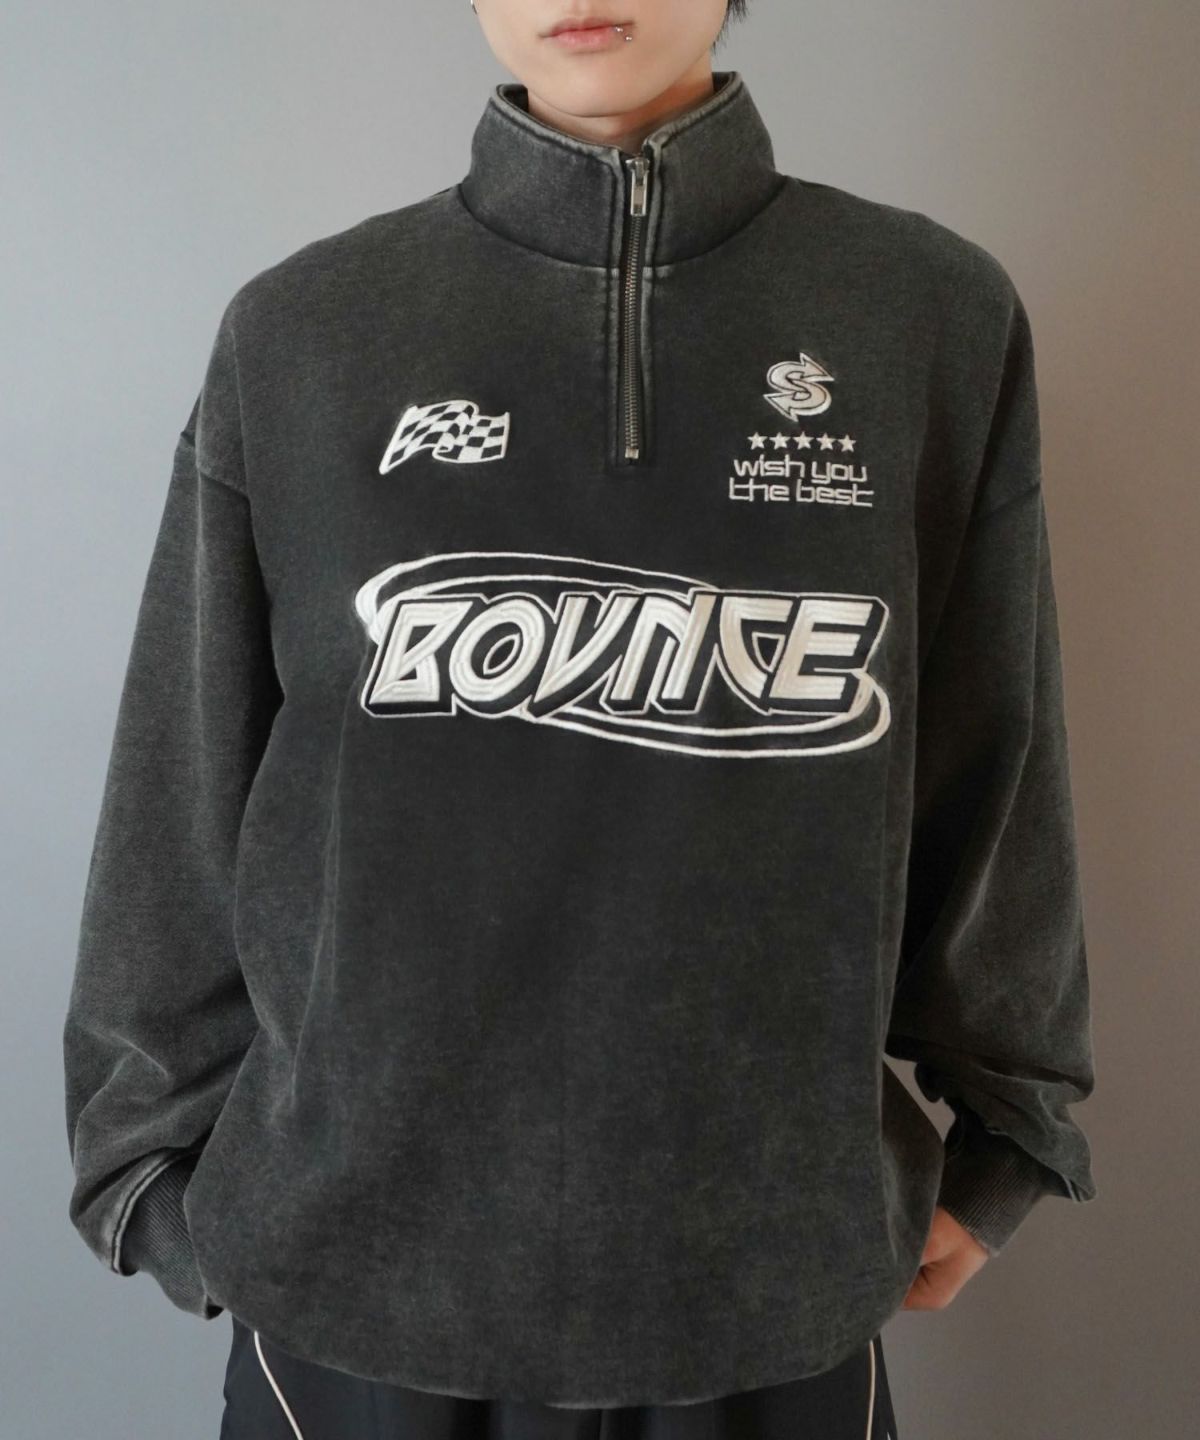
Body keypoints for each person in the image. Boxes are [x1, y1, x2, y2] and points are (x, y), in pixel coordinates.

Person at [61, 3, 1098, 1437]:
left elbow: (995, 756)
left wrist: (1006, 1139)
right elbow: (187, 775)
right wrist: (144, 1160)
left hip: (769, 1277)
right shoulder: (305, 330)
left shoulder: (923, 313)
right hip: (353, 1283)